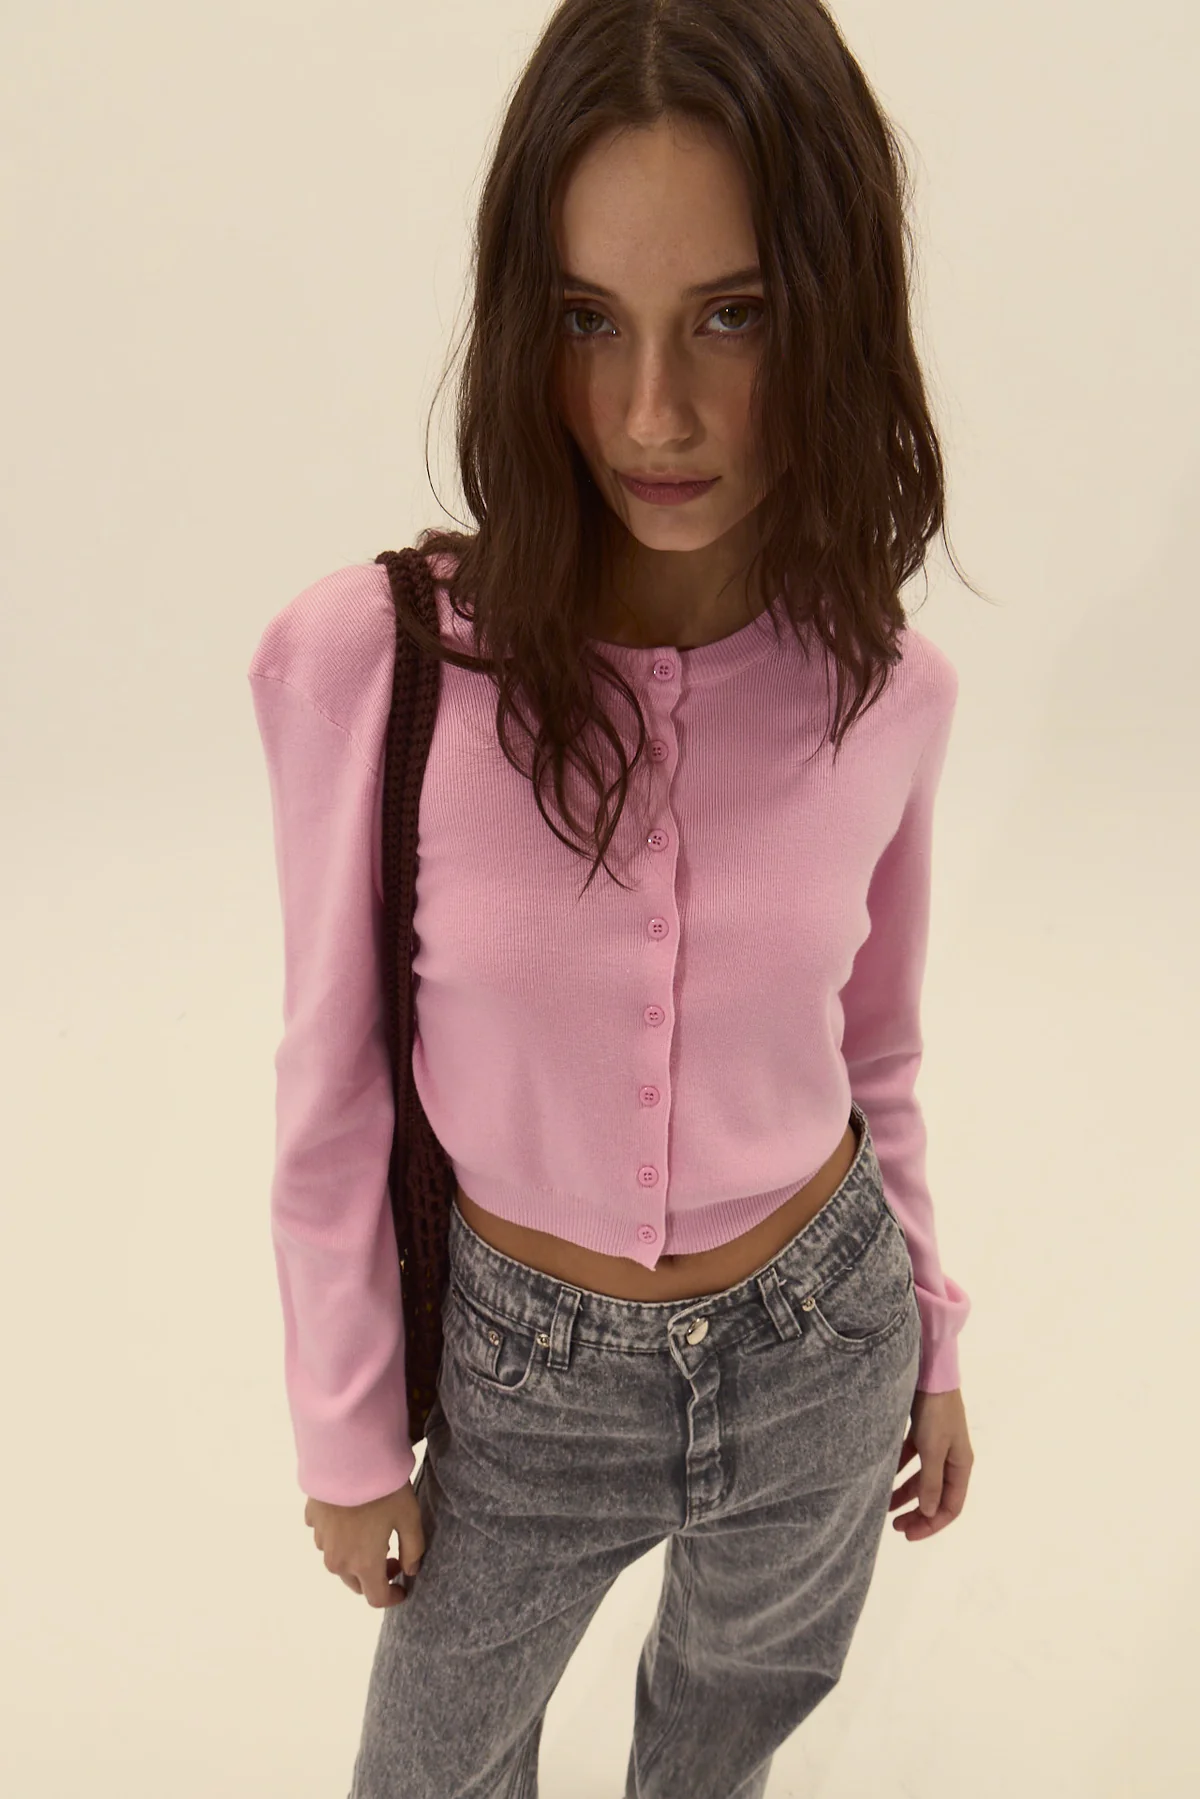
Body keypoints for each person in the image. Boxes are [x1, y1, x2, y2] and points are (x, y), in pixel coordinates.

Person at [247, 2, 977, 1794]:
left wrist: (933, 1339)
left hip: (824, 1340)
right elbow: (335, 1083)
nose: (655, 413)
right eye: (590, 320)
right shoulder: (377, 666)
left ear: (831, 312)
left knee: (719, 1753)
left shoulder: (888, 688)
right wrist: (349, 1432)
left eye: (733, 314)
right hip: (526, 1378)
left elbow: (876, 1056)